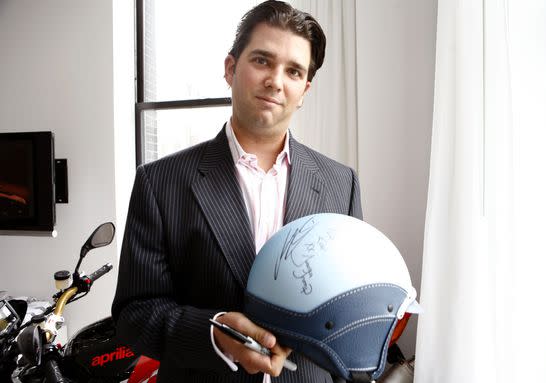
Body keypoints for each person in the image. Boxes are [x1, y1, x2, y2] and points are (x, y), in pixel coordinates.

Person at [112, 1, 362, 382]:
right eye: (262, 61)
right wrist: (215, 333)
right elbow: (134, 315)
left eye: (293, 71)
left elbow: (348, 307)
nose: (276, 81)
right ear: (231, 69)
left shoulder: (340, 184)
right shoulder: (159, 182)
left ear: (305, 89)